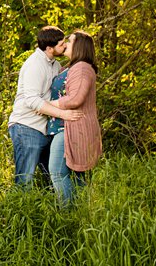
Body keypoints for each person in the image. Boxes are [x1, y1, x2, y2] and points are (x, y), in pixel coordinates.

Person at [7, 26, 83, 186]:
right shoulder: (35, 65)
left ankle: (60, 209)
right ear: (49, 48)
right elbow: (32, 101)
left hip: (44, 128)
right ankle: (19, 209)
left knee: (52, 177)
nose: (65, 46)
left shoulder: (55, 65)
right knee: (24, 179)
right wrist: (64, 115)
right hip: (26, 127)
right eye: (62, 44)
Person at [47, 29, 102, 203]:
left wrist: (46, 105)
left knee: (57, 172)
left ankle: (68, 213)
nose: (65, 44)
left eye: (69, 41)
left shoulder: (82, 68)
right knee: (77, 177)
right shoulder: (72, 67)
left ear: (79, 46)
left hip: (70, 126)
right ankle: (81, 214)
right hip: (66, 125)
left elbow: (76, 98)